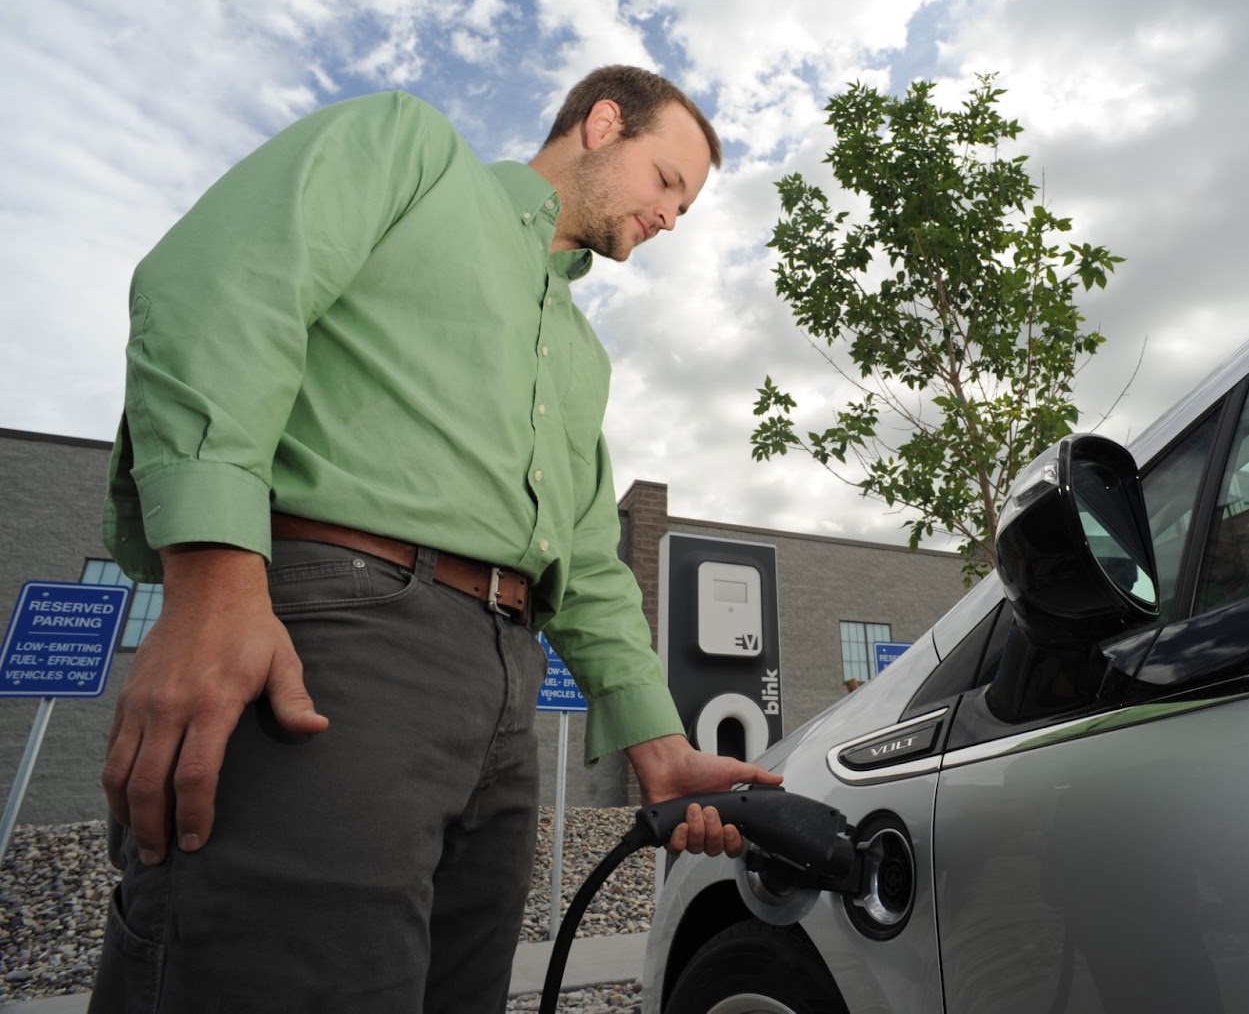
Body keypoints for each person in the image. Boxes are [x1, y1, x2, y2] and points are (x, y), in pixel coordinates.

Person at [90, 66, 777, 1014]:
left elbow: (587, 561)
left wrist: (659, 744)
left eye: (686, 208)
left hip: (505, 692)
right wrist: (211, 582)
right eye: (666, 181)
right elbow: (225, 287)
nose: (670, 217)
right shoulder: (411, 152)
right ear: (602, 123)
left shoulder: (581, 358)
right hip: (337, 636)